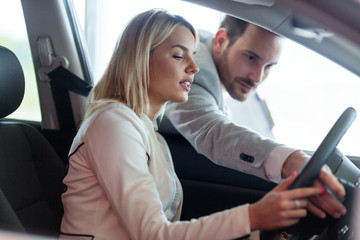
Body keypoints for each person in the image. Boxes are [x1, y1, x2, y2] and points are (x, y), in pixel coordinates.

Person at [60, 9, 327, 240]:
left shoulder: (147, 132)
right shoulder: (114, 124)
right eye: (179, 56)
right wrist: (254, 216)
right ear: (141, 58)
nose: (194, 67)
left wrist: (258, 231)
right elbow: (154, 234)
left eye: (194, 55)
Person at [162, 15, 347, 221]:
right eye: (251, 58)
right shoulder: (194, 69)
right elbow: (211, 130)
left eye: (269, 66)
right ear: (221, 41)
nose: (258, 77)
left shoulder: (208, 58)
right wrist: (289, 160)